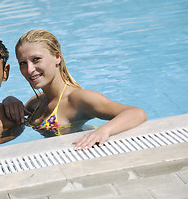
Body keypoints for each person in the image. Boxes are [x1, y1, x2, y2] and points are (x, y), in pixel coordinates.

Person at [14, 29, 147, 150]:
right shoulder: (35, 103)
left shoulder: (77, 99)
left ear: (57, 57)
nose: (29, 70)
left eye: (36, 59)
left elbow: (136, 113)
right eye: (23, 63)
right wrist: (10, 101)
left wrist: (103, 131)